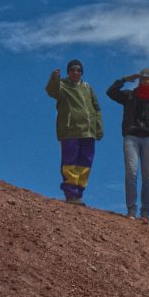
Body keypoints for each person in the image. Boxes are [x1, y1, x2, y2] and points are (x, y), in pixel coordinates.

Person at [107, 68, 149, 220]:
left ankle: (145, 212)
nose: (146, 81)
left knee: (148, 177)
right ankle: (131, 210)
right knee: (131, 173)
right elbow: (111, 92)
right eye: (143, 78)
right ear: (139, 80)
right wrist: (125, 79)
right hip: (131, 136)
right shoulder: (130, 96)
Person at [45, 59, 103, 205]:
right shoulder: (62, 85)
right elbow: (51, 91)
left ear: (82, 72)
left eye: (78, 70)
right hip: (70, 130)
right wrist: (54, 78)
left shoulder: (87, 87)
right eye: (72, 70)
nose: (75, 72)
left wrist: (98, 127)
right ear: (68, 72)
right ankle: (71, 194)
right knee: (69, 163)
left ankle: (79, 194)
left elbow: (96, 108)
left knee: (85, 164)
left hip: (88, 132)